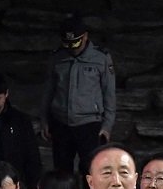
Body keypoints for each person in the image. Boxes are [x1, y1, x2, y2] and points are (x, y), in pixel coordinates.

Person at [40, 15, 115, 176]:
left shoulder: (100, 58)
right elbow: (49, 91)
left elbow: (109, 94)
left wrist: (107, 126)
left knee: (91, 173)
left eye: (76, 43)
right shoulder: (57, 58)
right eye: (67, 44)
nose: (72, 48)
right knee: (61, 174)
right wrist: (45, 120)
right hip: (61, 123)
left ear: (85, 36)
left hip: (89, 125)